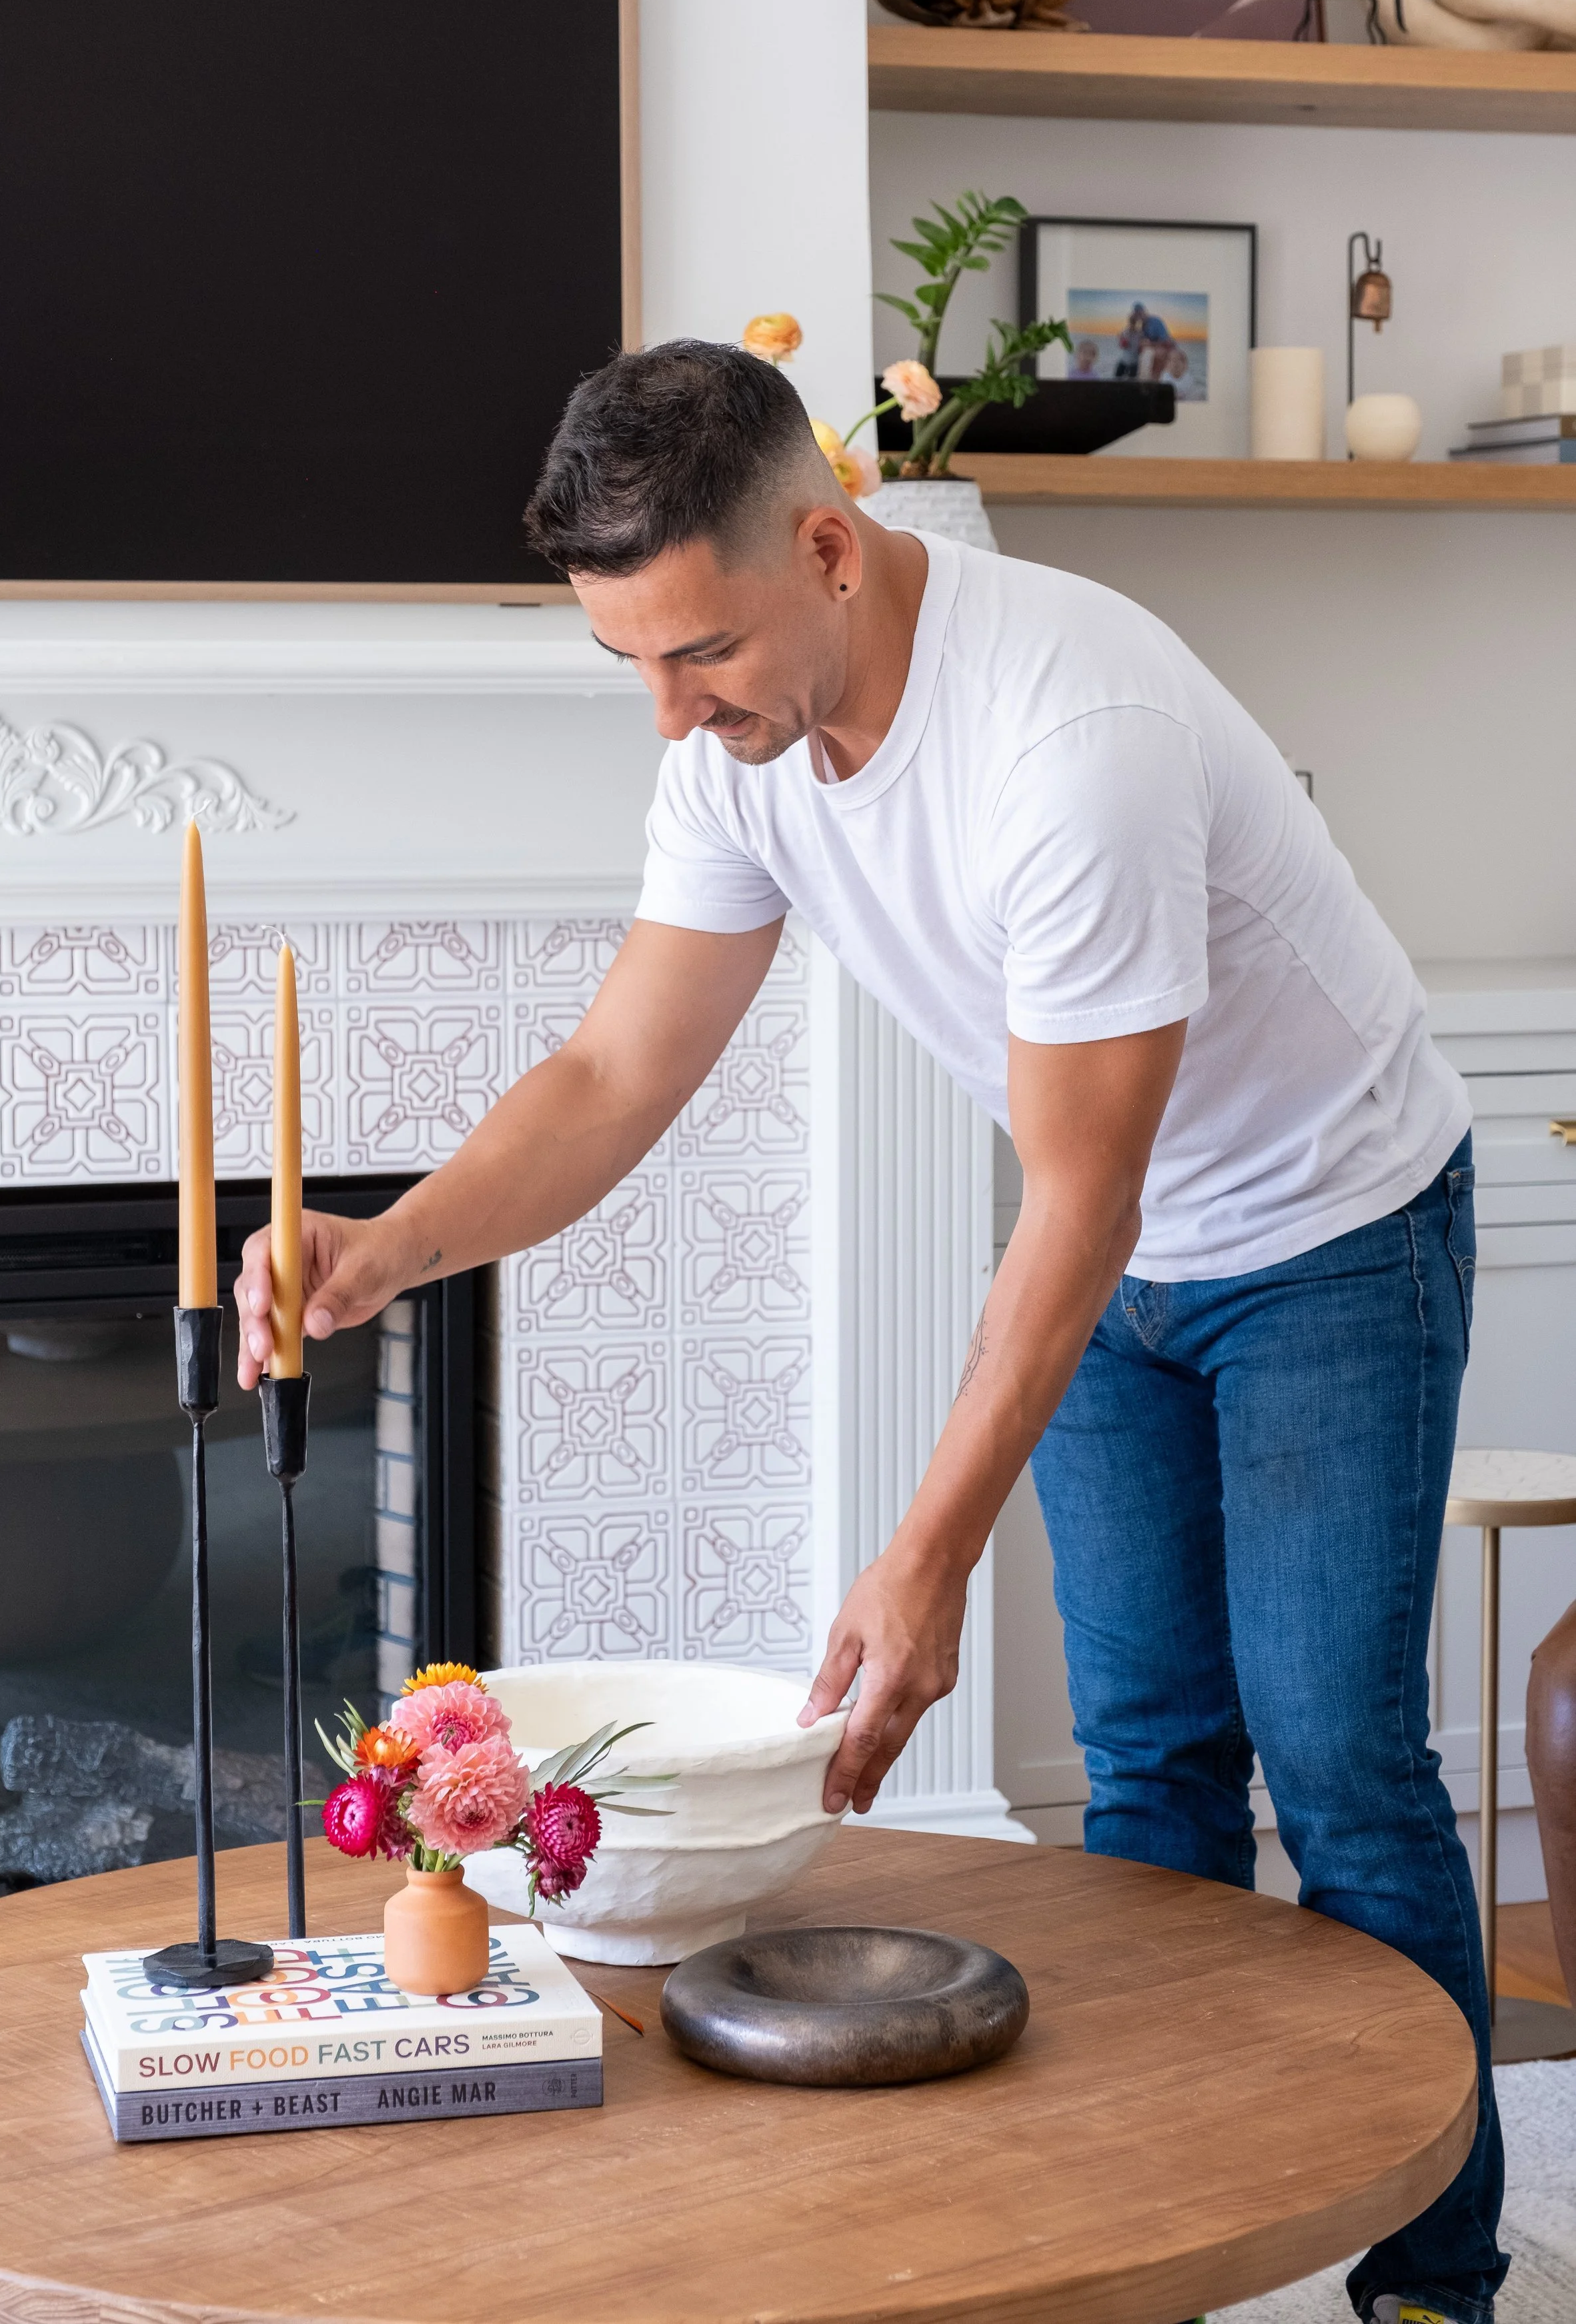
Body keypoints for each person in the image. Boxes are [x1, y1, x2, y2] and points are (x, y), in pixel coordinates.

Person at [235, 341, 1503, 2324]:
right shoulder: (735, 743)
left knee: (1337, 1761)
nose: (669, 709)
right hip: (1119, 1247)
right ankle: (1157, 2250)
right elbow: (611, 1074)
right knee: (1153, 1763)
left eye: (698, 653)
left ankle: (1431, 2279)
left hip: (1326, 1232)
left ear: (830, 544)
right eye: (631, 666)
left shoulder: (1064, 734)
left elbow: (1082, 1197)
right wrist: (389, 1244)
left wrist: (921, 1564)